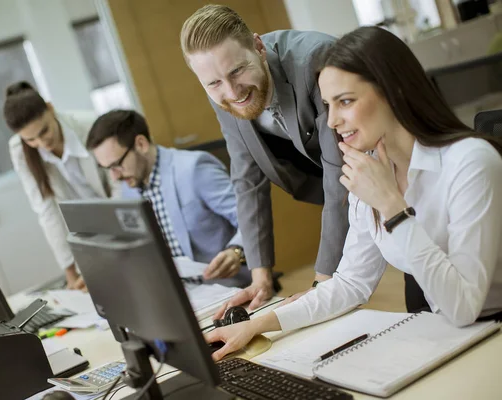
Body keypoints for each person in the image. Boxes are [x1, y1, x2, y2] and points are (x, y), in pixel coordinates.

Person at [204, 26, 502, 362]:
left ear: (394, 91)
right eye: (328, 104)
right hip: (447, 336)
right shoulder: (371, 169)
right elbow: (352, 283)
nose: (331, 121)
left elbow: (464, 308)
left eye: (345, 101)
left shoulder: (470, 162)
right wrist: (259, 324)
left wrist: (392, 206)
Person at [181, 5, 349, 312]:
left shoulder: (316, 59)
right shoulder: (221, 89)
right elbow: (247, 181)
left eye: (237, 71)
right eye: (214, 83)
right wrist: (260, 278)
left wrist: (321, 283)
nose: (231, 91)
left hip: (395, 177)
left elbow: (340, 174)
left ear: (258, 47)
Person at [85, 109, 251, 287]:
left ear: (141, 144)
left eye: (117, 165)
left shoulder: (193, 169)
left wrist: (236, 252)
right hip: (177, 292)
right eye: (107, 169)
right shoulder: (129, 187)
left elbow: (250, 217)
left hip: (225, 288)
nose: (114, 177)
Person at [4, 81, 119, 290]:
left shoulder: (90, 126)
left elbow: (118, 187)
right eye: (31, 140)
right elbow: (47, 211)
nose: (41, 143)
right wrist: (70, 272)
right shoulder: (20, 151)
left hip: (115, 216)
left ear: (50, 108)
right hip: (86, 234)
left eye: (44, 131)